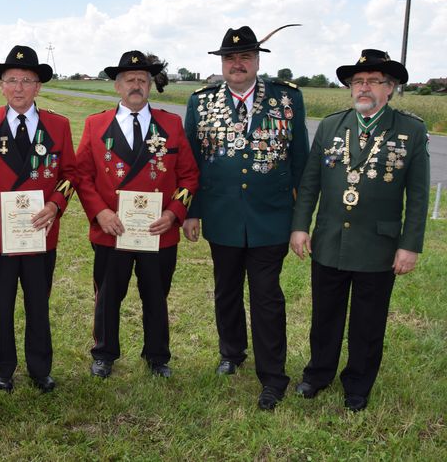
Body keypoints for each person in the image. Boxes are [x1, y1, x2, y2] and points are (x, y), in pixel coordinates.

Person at [290, 49, 429, 412]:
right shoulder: (332, 126)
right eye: (357, 81)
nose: (363, 87)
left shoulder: (410, 130)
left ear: (391, 88)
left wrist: (409, 245)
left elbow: (417, 195)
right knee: (325, 316)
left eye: (373, 81)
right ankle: (318, 374)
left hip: (378, 245)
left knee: (368, 322)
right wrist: (300, 227)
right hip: (330, 240)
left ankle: (358, 384)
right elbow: (310, 183)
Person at [182, 25, 309, 410]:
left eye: (245, 57)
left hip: (271, 217)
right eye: (230, 58)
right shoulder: (200, 102)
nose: (237, 64)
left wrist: (301, 220)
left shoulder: (287, 100)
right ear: (222, 64)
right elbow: (191, 163)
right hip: (221, 215)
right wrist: (191, 212)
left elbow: (300, 161)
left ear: (257, 61)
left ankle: (273, 377)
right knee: (226, 289)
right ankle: (231, 352)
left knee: (267, 295)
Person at [75, 50, 198, 379]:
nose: (136, 85)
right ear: (117, 86)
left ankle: (157, 356)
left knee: (156, 295)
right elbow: (81, 175)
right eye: (129, 80)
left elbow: (189, 176)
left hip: (158, 231)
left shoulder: (170, 124)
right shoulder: (95, 124)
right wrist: (99, 212)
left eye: (142, 80)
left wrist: (174, 213)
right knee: (108, 295)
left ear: (149, 85)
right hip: (111, 229)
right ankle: (104, 353)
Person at [0, 46, 76, 393]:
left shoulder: (58, 124)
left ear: (38, 86)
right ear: (2, 86)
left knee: (38, 303)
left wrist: (56, 205)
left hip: (40, 232)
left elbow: (70, 175)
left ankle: (40, 368)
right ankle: (2, 367)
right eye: (12, 80)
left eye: (27, 80)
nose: (19, 88)